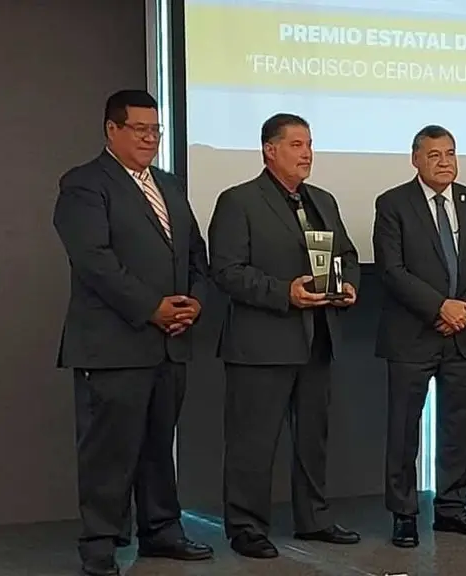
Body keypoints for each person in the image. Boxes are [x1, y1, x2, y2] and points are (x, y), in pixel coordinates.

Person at [52, 89, 213, 576]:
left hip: (171, 342)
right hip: (113, 345)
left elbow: (195, 253)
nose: (150, 138)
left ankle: (161, 531)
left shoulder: (171, 185)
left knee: (159, 445)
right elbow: (94, 261)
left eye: (155, 130)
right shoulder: (84, 184)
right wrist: (151, 308)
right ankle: (100, 544)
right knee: (108, 451)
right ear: (112, 129)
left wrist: (194, 302)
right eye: (139, 129)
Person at [208, 113, 361, 558]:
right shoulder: (238, 200)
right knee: (253, 443)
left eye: (309, 144)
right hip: (261, 343)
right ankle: (246, 527)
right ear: (269, 150)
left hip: (317, 338)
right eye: (296, 145)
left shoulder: (322, 200)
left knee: (313, 439)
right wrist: (284, 293)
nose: (307, 153)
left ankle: (314, 518)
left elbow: (347, 254)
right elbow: (227, 270)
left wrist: (348, 285)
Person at [373, 125, 466, 547]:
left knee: (458, 427)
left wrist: (465, 311)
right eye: (434, 155)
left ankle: (452, 507)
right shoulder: (393, 203)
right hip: (412, 335)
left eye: (450, 153)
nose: (445, 162)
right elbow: (392, 270)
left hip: (465, 332)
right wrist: (439, 307)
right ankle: (404, 513)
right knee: (403, 429)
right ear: (415, 160)